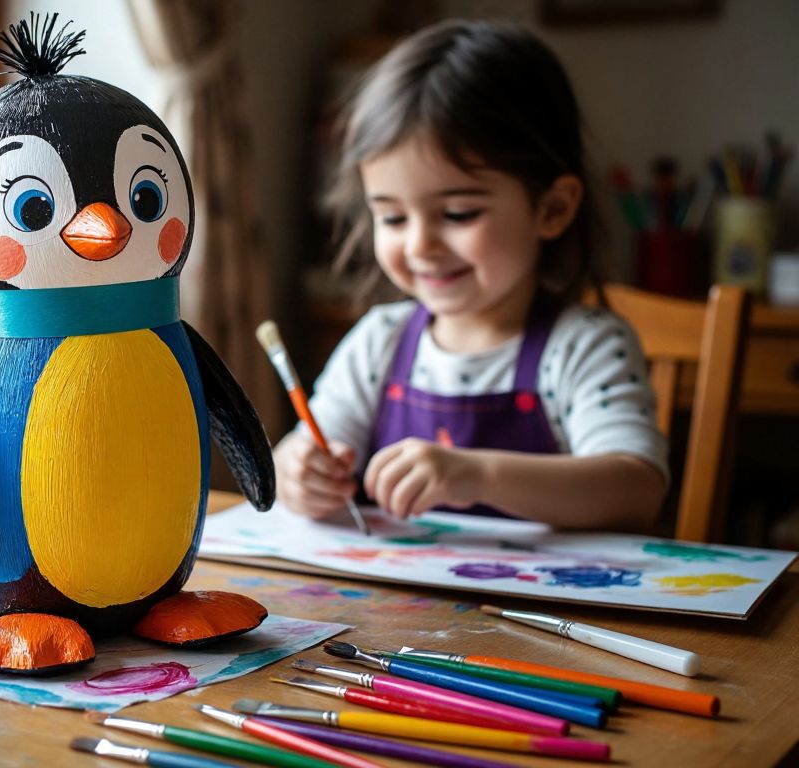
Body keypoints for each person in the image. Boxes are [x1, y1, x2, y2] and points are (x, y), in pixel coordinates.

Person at [276, 20, 667, 530]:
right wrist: (299, 471)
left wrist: (476, 474)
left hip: (544, 606)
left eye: (459, 214)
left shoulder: (584, 347)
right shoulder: (379, 343)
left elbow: (635, 488)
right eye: (393, 217)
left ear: (552, 208)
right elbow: (307, 448)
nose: (419, 245)